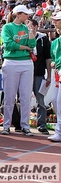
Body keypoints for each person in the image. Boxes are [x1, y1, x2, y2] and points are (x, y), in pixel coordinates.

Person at [0, 5, 36, 136]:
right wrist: (26, 47)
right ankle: (6, 125)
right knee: (9, 96)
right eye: (25, 14)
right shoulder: (7, 27)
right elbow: (9, 44)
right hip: (11, 62)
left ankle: (25, 126)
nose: (27, 16)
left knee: (26, 96)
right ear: (18, 14)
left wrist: (30, 31)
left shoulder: (26, 28)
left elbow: (32, 45)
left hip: (26, 63)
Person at [27, 19, 52, 135]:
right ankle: (23, 124)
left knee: (40, 100)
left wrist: (49, 76)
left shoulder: (43, 39)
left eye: (30, 25)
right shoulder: (24, 38)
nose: (28, 27)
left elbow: (48, 58)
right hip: (25, 73)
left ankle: (41, 124)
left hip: (39, 73)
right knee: (23, 99)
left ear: (36, 27)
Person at [48, 12, 61, 142]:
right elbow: (53, 58)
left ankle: (59, 132)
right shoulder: (55, 42)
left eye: (57, 20)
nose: (55, 23)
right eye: (54, 20)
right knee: (55, 101)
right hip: (57, 74)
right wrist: (53, 63)